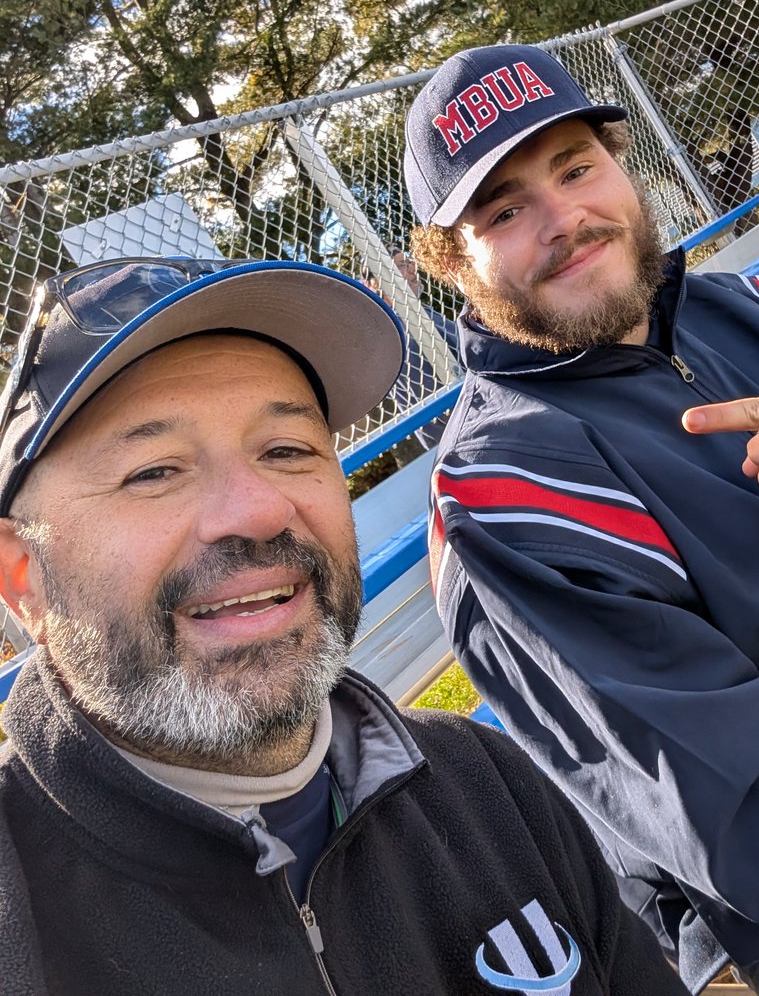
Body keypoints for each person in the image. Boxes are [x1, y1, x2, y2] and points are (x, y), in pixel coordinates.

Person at [0, 256, 687, 996]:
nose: (260, 512)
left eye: (288, 450)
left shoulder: (489, 786)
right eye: (154, 471)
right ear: (23, 578)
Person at [403, 43, 759, 996]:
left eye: (577, 167)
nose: (567, 220)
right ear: (448, 264)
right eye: (505, 210)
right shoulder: (505, 498)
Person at [365, 242, 459, 449]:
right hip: (459, 435)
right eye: (400, 265)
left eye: (408, 261)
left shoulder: (420, 313)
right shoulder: (397, 331)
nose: (411, 268)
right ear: (374, 283)